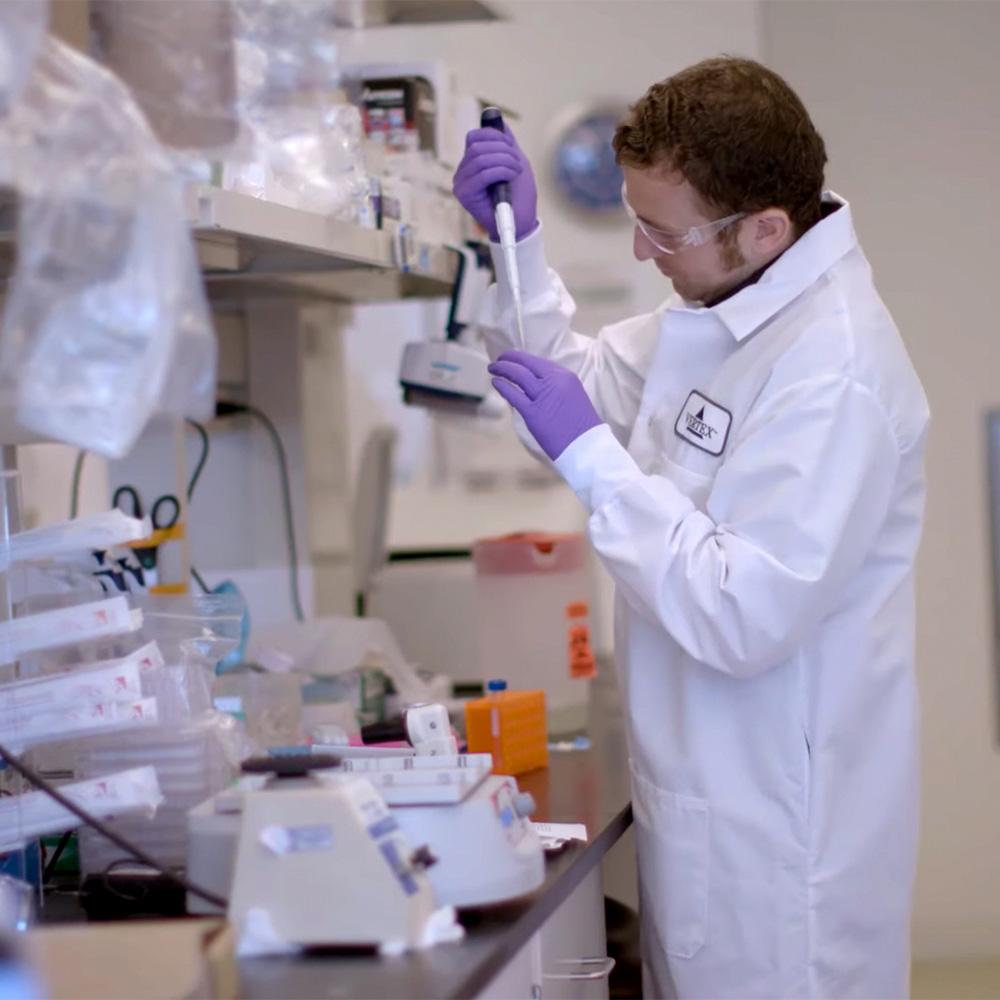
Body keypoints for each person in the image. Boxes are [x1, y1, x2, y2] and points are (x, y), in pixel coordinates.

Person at [453, 57, 929, 1000]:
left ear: (765, 227)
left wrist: (593, 461)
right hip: (711, 809)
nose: (641, 254)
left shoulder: (833, 372)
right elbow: (575, 388)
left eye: (660, 233)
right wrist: (518, 246)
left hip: (782, 851)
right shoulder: (728, 309)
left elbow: (742, 612)